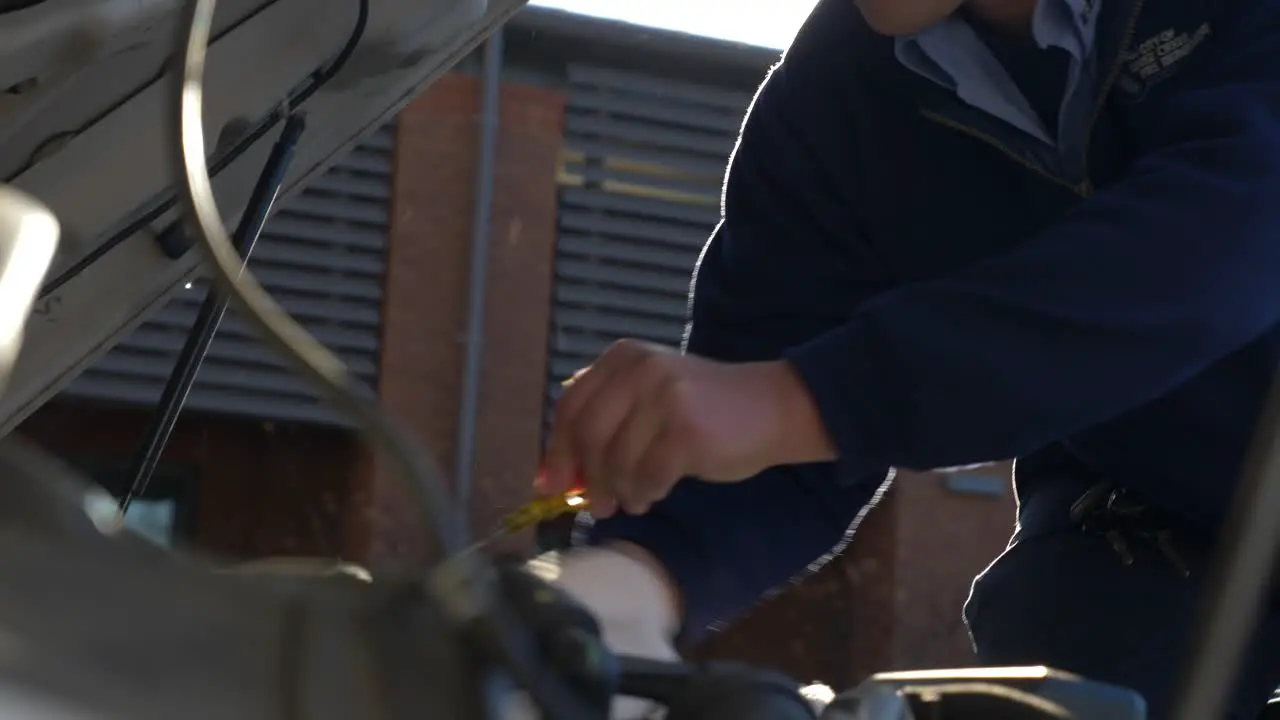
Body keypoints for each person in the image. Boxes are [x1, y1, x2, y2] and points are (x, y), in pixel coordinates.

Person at [533, 0, 1280, 717]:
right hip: (1148, 523)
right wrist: (628, 585)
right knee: (1059, 681)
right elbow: (759, 425)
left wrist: (803, 400)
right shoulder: (835, 96)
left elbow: (1229, 236)